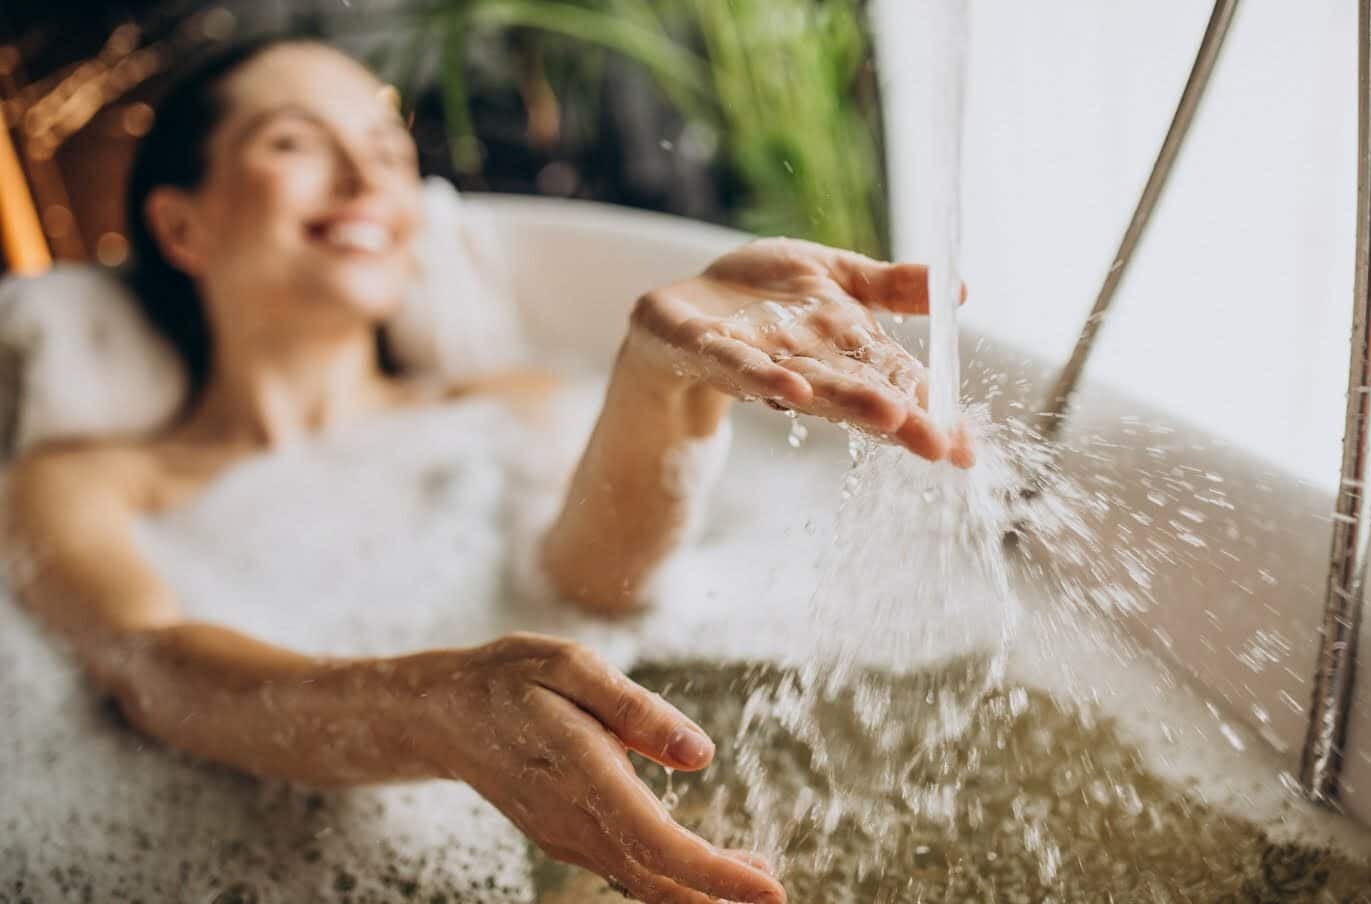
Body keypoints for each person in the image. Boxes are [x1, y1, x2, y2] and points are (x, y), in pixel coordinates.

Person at [2, 37, 967, 904]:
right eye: (295, 143)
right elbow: (154, 668)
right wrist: (437, 709)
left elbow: (600, 583)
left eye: (386, 150)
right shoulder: (86, 479)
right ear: (182, 228)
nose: (365, 177)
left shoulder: (507, 406)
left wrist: (657, 375)